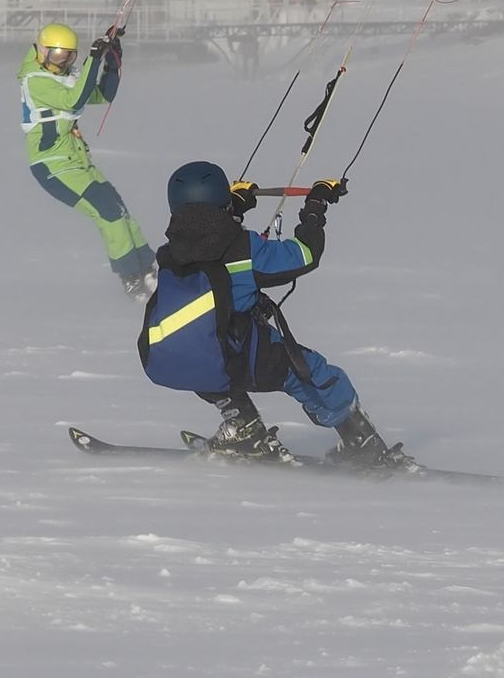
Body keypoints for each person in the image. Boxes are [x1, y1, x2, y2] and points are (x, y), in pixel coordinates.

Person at [135, 159, 404, 466]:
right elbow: (305, 254)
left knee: (205, 354)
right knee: (312, 372)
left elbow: (207, 235)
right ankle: (362, 443)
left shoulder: (171, 252)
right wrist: (315, 208)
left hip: (175, 360)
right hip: (245, 360)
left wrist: (234, 207)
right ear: (222, 202)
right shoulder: (244, 249)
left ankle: (243, 426)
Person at [19, 21, 155, 297]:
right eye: (57, 55)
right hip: (53, 165)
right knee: (107, 213)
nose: (62, 62)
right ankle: (131, 277)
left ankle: (148, 268)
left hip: (77, 160)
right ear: (42, 51)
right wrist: (93, 58)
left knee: (119, 209)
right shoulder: (35, 80)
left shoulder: (66, 75)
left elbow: (102, 94)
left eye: (69, 56)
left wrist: (111, 59)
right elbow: (73, 100)